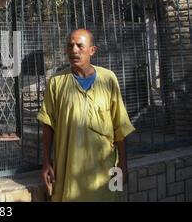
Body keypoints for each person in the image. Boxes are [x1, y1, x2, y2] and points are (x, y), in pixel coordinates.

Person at [37, 28, 135, 202]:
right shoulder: (57, 82)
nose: (74, 50)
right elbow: (48, 125)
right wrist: (46, 164)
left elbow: (120, 125)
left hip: (105, 169)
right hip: (68, 170)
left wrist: (123, 165)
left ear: (92, 50)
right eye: (70, 46)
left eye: (80, 46)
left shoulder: (108, 79)